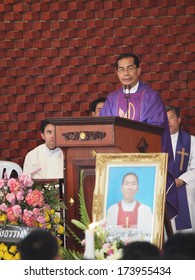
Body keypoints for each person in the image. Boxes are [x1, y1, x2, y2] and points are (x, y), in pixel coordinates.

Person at [99, 53, 178, 221]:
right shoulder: (112, 99)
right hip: (117, 163)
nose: (125, 74)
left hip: (144, 162)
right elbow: (103, 127)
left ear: (139, 70)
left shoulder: (150, 96)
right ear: (117, 73)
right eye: (121, 70)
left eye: (130, 68)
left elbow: (154, 129)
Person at [166, 105, 195, 232]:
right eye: (165, 119)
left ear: (179, 119)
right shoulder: (156, 141)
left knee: (188, 199)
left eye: (171, 117)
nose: (168, 122)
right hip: (163, 189)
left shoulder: (191, 141)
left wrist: (181, 180)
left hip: (184, 186)